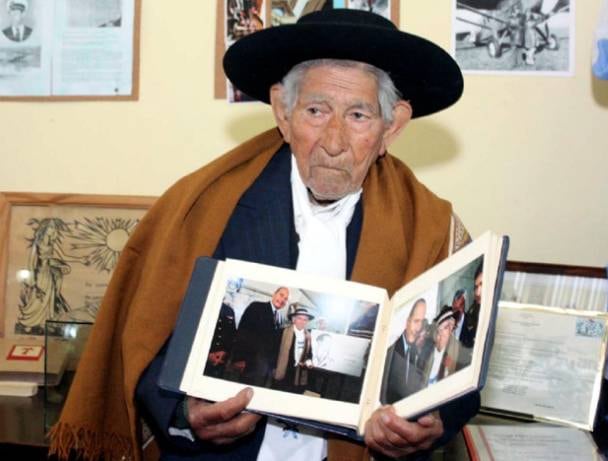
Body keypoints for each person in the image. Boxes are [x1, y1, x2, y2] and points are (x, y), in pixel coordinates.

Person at [50, 8, 480, 461]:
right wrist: (184, 415)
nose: (334, 141)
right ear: (283, 110)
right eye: (316, 111)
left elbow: (462, 372)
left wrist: (431, 423)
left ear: (391, 127)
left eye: (358, 115)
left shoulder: (430, 227)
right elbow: (140, 337)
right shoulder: (203, 207)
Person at [231, 286, 289, 386]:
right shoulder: (256, 307)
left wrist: (274, 367)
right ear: (274, 294)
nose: (282, 299)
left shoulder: (280, 319)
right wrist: (239, 358)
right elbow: (243, 331)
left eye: (286, 299)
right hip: (250, 364)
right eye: (281, 295)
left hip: (266, 370)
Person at [381, 298, 428, 404]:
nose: (419, 328)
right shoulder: (389, 353)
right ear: (407, 322)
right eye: (416, 321)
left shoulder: (419, 354)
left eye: (422, 322)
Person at [272, 305, 314, 394]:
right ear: (293, 319)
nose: (302, 322)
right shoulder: (282, 332)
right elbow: (274, 351)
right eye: (299, 318)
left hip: (299, 374)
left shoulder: (309, 336)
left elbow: (310, 354)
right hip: (283, 372)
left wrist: (309, 362)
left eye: (305, 319)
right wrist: (274, 368)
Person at [422, 306, 460, 386]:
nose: (450, 331)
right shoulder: (428, 349)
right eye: (446, 327)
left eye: (452, 327)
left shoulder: (455, 349)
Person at [204, 302, 236, 378]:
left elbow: (232, 335)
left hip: (219, 361)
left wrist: (224, 352)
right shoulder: (206, 305)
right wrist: (206, 354)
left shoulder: (229, 310)